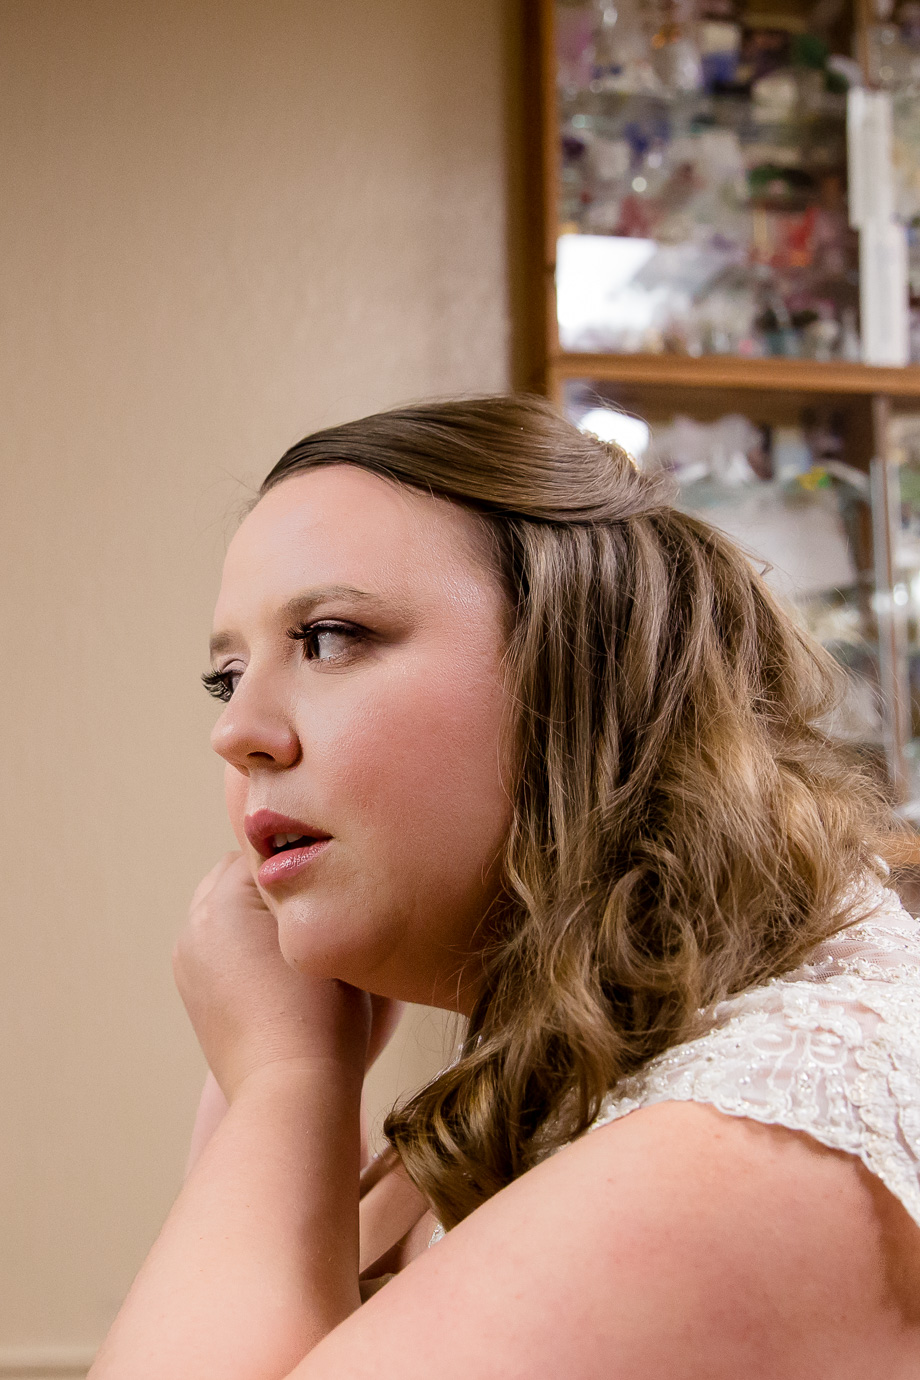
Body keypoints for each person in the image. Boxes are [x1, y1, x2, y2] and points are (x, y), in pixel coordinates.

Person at [89, 396, 920, 1379]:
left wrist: (283, 1084)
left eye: (326, 637)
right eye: (227, 678)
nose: (237, 732)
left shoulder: (751, 1134)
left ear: (581, 674)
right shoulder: (632, 1049)